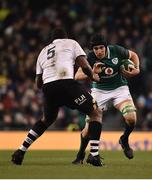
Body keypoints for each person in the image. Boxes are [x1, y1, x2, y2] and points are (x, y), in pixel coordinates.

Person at [11, 28, 103, 166]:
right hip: (66, 83)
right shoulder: (71, 43)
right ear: (65, 37)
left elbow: (38, 83)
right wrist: (93, 76)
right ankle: (94, 155)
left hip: (48, 88)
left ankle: (20, 151)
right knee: (95, 112)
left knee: (46, 120)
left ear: (52, 39)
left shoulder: (43, 52)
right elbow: (84, 65)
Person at [72, 33, 140, 164]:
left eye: (101, 48)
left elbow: (133, 55)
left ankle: (124, 140)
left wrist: (137, 69)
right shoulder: (89, 57)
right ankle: (80, 154)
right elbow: (77, 75)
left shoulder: (117, 50)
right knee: (87, 131)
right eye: (95, 48)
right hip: (99, 92)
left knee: (131, 118)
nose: (98, 51)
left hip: (120, 89)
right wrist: (92, 72)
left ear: (106, 46)